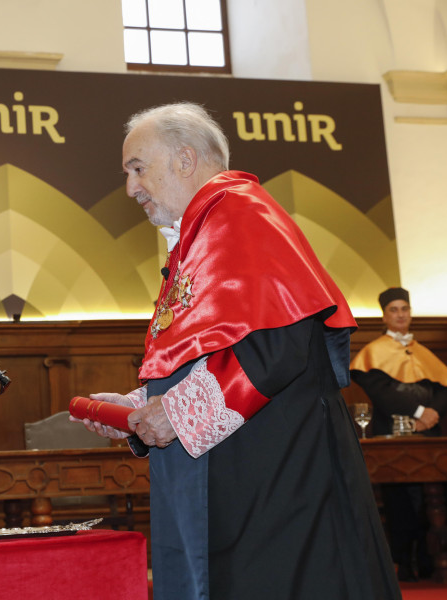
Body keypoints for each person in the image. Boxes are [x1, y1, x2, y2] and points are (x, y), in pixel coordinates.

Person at [73, 102, 400, 599]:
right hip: (243, 468)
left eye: (137, 168)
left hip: (278, 472)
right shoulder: (201, 231)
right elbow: (209, 352)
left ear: (185, 159)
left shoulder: (239, 213)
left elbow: (278, 344)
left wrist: (177, 414)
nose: (131, 188)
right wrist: (141, 407)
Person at [350, 287, 447, 581]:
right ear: (384, 316)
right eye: (394, 310)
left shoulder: (423, 351)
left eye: (404, 309)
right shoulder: (373, 353)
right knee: (401, 501)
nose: (400, 315)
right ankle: (406, 563)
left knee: (434, 500)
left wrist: (432, 414)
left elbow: (444, 388)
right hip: (393, 437)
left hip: (431, 436)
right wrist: (418, 413)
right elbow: (381, 393)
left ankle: (435, 559)